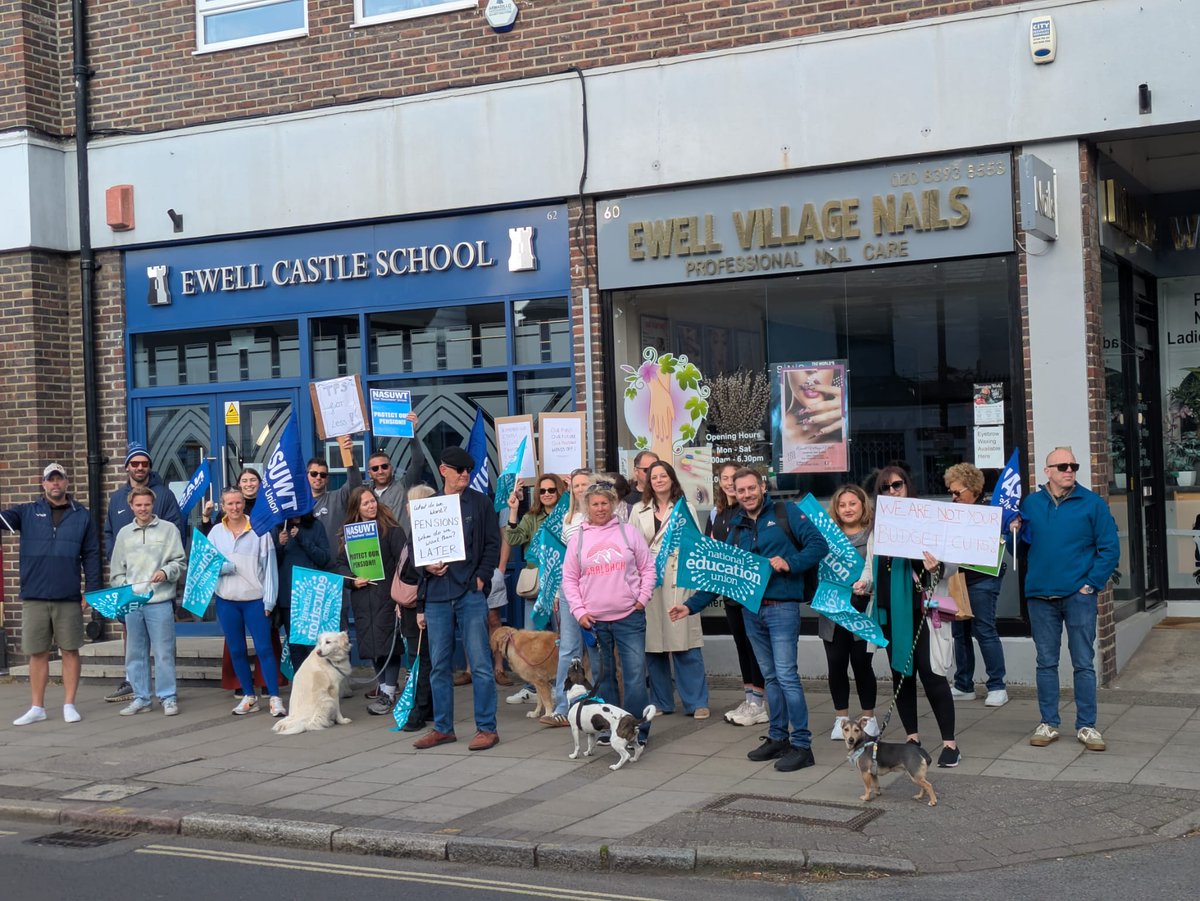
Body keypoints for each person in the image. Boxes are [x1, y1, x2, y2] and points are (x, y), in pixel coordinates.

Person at [669, 468, 828, 773]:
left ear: (762, 487)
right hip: (750, 612)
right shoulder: (737, 527)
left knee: (786, 676)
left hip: (782, 607)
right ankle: (779, 737)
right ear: (734, 494)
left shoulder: (786, 512)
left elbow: (818, 547)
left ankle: (803, 745)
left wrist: (789, 563)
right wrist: (690, 606)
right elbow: (720, 574)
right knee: (769, 677)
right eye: (740, 491)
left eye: (750, 489)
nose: (746, 494)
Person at [1018, 447, 1119, 752]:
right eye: (1062, 466)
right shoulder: (1031, 505)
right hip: (1040, 596)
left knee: (1083, 662)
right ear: (1047, 471)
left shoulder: (1092, 504)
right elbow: (1021, 551)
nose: (1069, 470)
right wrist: (1014, 532)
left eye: (1073, 465)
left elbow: (1110, 548)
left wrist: (1090, 585)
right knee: (1046, 662)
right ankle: (1049, 723)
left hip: (1078, 596)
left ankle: (1087, 725)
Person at [868, 466, 961, 767]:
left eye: (898, 485)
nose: (893, 491)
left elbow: (953, 564)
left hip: (923, 612)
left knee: (933, 676)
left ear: (908, 487)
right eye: (886, 488)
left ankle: (950, 744)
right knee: (901, 676)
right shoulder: (878, 528)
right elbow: (872, 569)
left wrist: (938, 566)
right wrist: (864, 583)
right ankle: (912, 738)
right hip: (894, 616)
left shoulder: (928, 521)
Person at [413, 445, 501, 752]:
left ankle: (487, 728)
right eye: (459, 470)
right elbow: (416, 550)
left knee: (479, 664)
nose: (465, 475)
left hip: (469, 593)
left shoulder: (480, 504)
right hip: (437, 596)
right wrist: (426, 565)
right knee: (439, 665)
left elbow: (493, 543)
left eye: (469, 471)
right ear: (443, 471)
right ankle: (443, 728)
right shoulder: (429, 505)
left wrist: (481, 576)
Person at [4, 463, 102, 726]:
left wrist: (90, 590)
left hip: (68, 595)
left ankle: (69, 703)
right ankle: (37, 707)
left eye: (60, 479)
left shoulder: (82, 515)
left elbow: (92, 555)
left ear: (67, 483)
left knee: (70, 650)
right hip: (34, 594)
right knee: (37, 652)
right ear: (43, 483)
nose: (55, 483)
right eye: (51, 480)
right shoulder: (27, 512)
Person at [562, 477, 656, 747]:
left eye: (605, 503)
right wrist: (579, 612)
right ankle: (610, 727)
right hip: (594, 622)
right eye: (595, 504)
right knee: (604, 679)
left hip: (629, 617)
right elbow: (569, 578)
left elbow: (648, 567)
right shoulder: (578, 538)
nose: (600, 508)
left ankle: (638, 729)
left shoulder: (629, 533)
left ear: (613, 504)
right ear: (586, 507)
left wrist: (642, 597)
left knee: (635, 675)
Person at [101, 441, 186, 706]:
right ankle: (139, 696)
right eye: (134, 463)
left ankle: (167, 696)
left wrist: (167, 570)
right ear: (127, 467)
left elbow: (178, 546)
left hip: (159, 597)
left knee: (163, 651)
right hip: (131, 598)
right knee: (134, 652)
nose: (139, 467)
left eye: (144, 463)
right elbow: (110, 540)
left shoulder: (166, 503)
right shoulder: (117, 501)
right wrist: (122, 587)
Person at [633, 460, 710, 719]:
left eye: (663, 475)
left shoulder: (684, 508)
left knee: (685, 643)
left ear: (672, 478)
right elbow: (632, 547)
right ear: (648, 481)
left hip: (679, 578)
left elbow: (697, 545)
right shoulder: (638, 510)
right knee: (653, 644)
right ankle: (662, 701)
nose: (658, 480)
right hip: (650, 581)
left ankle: (697, 702)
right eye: (654, 476)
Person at [335, 485, 414, 715]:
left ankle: (389, 693)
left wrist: (401, 595)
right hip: (361, 598)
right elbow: (340, 564)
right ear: (356, 508)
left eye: (373, 501)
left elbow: (404, 562)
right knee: (371, 646)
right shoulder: (348, 532)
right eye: (365, 503)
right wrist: (352, 580)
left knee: (388, 644)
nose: (371, 506)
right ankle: (382, 689)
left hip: (387, 596)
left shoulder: (391, 529)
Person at [208, 487, 286, 717]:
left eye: (238, 503)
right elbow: (207, 567)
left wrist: (269, 602)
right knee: (237, 650)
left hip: (255, 600)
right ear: (223, 506)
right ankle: (249, 696)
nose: (235, 508)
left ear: (244, 503)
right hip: (227, 600)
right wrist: (223, 568)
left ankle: (274, 697)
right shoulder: (215, 533)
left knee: (264, 649)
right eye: (230, 504)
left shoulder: (259, 530)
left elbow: (270, 568)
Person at [943, 462, 1009, 707]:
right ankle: (963, 684)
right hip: (957, 578)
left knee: (984, 630)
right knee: (959, 632)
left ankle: (997, 685)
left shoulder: (989, 511)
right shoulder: (951, 512)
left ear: (972, 489)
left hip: (983, 578)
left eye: (957, 492)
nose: (953, 496)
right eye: (951, 492)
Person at [708, 461, 767, 727]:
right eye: (724, 478)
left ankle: (760, 701)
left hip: (749, 589)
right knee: (741, 645)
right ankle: (749, 698)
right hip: (729, 590)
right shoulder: (717, 513)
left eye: (734, 478)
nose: (729, 482)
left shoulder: (745, 512)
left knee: (755, 646)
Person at [502, 472, 565, 709]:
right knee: (530, 639)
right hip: (536, 586)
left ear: (559, 491)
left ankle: (563, 689)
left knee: (561, 640)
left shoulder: (568, 516)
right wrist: (513, 511)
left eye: (551, 490)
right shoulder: (532, 517)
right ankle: (532, 687)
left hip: (560, 584)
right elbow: (514, 538)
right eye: (542, 491)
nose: (547, 494)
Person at [822, 485, 878, 739]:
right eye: (842, 505)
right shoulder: (826, 536)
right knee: (836, 664)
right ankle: (841, 719)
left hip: (861, 609)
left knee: (861, 664)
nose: (847, 509)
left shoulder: (874, 534)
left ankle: (868, 718)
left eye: (852, 504)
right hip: (832, 611)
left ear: (862, 505)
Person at [547, 467, 593, 724]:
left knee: (595, 648)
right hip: (568, 589)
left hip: (595, 588)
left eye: (585, 484)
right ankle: (562, 707)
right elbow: (564, 559)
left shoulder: (602, 512)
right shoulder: (567, 516)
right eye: (576, 486)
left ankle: (596, 701)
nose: (580, 489)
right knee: (568, 648)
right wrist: (556, 591)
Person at [274, 509, 332, 674]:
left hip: (313, 596)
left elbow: (324, 558)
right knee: (296, 646)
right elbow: (270, 564)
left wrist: (302, 538)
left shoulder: (316, 526)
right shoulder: (279, 528)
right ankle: (301, 685)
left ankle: (320, 683)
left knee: (315, 644)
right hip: (288, 597)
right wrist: (279, 546)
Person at [397, 485, 434, 732]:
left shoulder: (424, 535)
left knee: (421, 659)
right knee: (422, 658)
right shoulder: (414, 532)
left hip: (418, 605)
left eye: (411, 503)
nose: (407, 508)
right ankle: (427, 706)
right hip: (409, 604)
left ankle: (420, 709)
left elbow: (415, 574)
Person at [307, 435, 362, 551]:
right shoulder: (297, 505)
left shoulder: (337, 498)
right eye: (313, 474)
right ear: (306, 476)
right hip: (309, 566)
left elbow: (354, 484)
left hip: (335, 564)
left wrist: (350, 457)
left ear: (327, 479)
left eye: (323, 475)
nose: (318, 477)